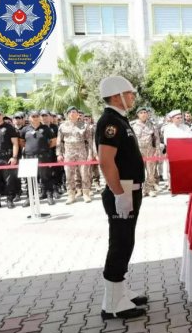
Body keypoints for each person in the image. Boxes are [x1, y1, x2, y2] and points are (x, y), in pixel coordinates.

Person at [96, 76, 147, 320]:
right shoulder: (110, 122)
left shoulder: (119, 119)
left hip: (129, 189)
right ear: (117, 95)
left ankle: (121, 291)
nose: (133, 97)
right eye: (130, 93)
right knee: (120, 243)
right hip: (122, 190)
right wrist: (119, 194)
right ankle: (113, 304)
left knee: (126, 241)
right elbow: (106, 162)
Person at [19, 110, 57, 206]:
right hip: (29, 157)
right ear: (29, 118)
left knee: (46, 177)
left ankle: (49, 196)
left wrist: (45, 148)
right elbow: (21, 142)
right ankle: (30, 198)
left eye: (36, 116)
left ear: (39, 117)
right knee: (30, 179)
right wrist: (30, 149)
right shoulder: (25, 129)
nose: (35, 118)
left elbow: (53, 141)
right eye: (33, 116)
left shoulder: (46, 128)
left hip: (43, 156)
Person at [57, 107, 94, 204]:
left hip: (81, 151)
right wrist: (59, 154)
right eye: (70, 112)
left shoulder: (84, 125)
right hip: (68, 152)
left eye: (74, 112)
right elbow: (59, 141)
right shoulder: (62, 126)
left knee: (84, 173)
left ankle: (86, 193)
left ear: (78, 114)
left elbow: (90, 141)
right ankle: (71, 195)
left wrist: (90, 154)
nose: (72, 114)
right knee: (69, 174)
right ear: (67, 114)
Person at [132, 107, 161, 197]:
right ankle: (141, 189)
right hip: (138, 151)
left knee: (150, 171)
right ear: (138, 114)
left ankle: (149, 189)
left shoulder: (152, 125)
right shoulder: (133, 125)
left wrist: (157, 150)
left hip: (150, 151)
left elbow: (156, 138)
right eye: (141, 113)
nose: (144, 114)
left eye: (145, 112)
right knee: (139, 171)